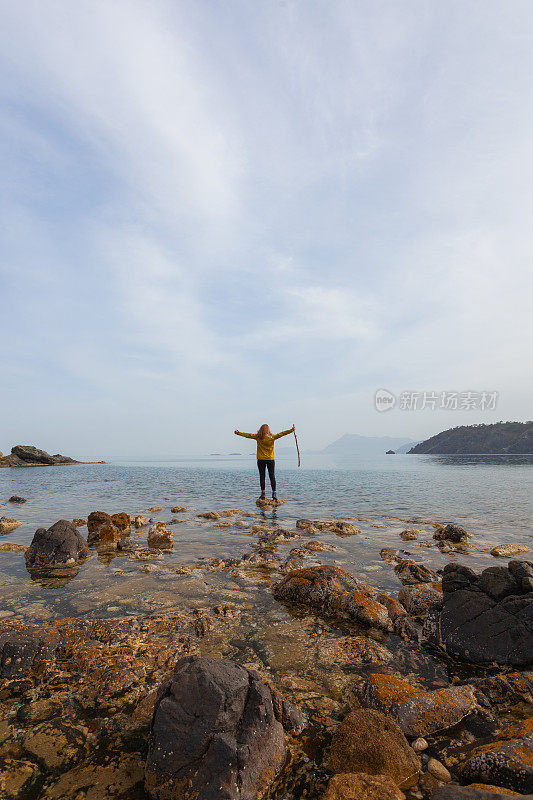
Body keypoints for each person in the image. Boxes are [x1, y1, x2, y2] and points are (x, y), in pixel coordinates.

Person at [234, 424, 295, 501]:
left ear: (261, 430)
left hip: (261, 460)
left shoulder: (258, 437)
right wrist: (291, 430)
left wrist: (238, 432)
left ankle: (263, 494)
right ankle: (274, 493)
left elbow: (248, 435)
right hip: (270, 459)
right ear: (268, 430)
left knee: (262, 476)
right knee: (272, 476)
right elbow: (282, 434)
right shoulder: (272, 437)